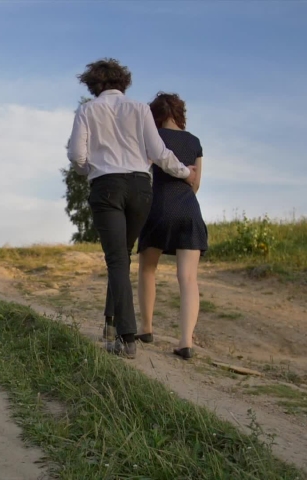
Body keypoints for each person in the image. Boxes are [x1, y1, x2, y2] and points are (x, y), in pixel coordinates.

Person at [67, 59, 198, 359]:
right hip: (141, 189)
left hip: (107, 187)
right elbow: (159, 153)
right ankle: (110, 324)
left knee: (116, 260)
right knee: (122, 257)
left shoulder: (87, 110)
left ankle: (127, 339)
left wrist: (90, 169)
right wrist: (185, 173)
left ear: (93, 85)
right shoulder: (140, 109)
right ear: (123, 82)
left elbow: (76, 154)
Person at [136, 92, 207, 360]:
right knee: (188, 278)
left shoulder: (151, 138)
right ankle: (186, 341)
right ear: (180, 114)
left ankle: (146, 328)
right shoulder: (195, 142)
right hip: (189, 210)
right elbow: (196, 183)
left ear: (154, 116)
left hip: (157, 209)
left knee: (148, 269)